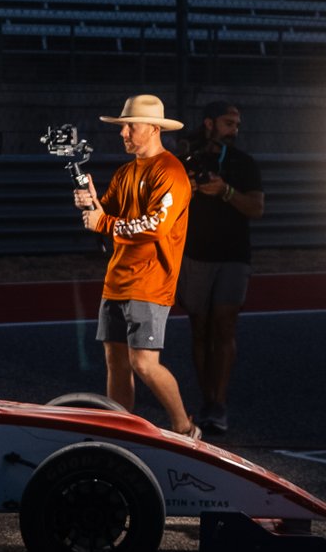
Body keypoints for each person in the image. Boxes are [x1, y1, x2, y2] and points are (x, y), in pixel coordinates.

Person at [73, 94, 200, 438]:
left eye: (130, 126)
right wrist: (91, 199)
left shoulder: (171, 172)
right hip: (117, 279)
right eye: (123, 126)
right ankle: (121, 429)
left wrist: (102, 222)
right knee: (116, 362)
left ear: (154, 128)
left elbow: (154, 226)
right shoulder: (126, 171)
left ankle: (184, 426)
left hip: (150, 282)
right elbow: (107, 211)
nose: (123, 132)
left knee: (143, 362)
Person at [178, 100, 264, 437]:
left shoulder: (244, 163)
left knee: (225, 327)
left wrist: (225, 191)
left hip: (234, 256)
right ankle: (206, 398)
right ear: (209, 123)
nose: (235, 129)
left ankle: (219, 404)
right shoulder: (187, 160)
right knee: (200, 328)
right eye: (229, 123)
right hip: (195, 255)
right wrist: (188, 186)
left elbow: (257, 208)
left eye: (238, 124)